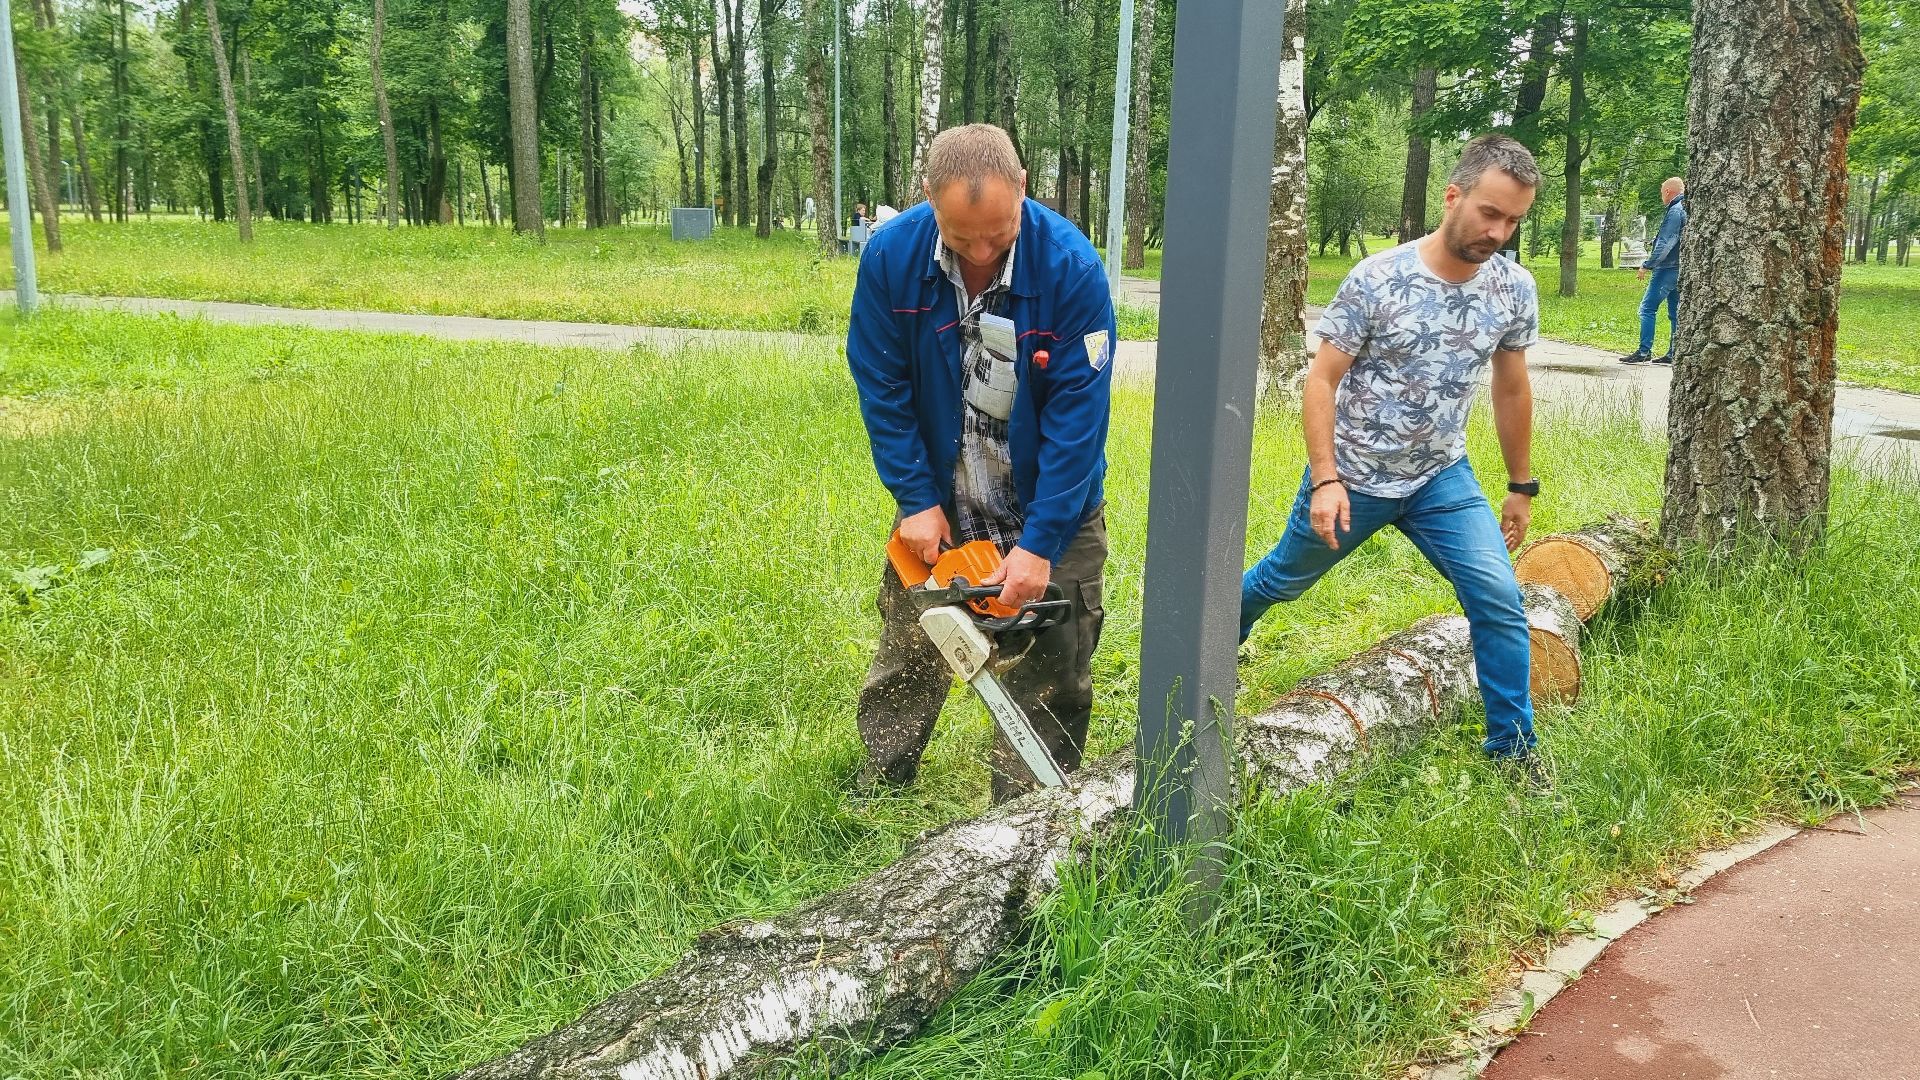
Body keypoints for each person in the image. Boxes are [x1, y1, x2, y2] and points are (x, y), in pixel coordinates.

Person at [1239, 133, 1549, 785]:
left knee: (1498, 597)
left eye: (1514, 221)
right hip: (1353, 478)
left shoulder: (1513, 288)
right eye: (1490, 213)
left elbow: (1512, 387)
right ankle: (1208, 653)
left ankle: (1514, 753)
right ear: (1453, 196)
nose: (1499, 232)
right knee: (1280, 581)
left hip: (1441, 479)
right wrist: (1325, 479)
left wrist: (1521, 485)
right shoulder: (1378, 278)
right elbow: (1321, 381)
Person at [845, 123, 1116, 803]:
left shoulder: (1072, 268)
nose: (983, 254)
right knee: (911, 650)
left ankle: (1027, 821)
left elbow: (1078, 422)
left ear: (1023, 188)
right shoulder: (891, 257)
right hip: (944, 498)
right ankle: (881, 782)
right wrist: (915, 498)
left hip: (1052, 506)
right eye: (963, 240)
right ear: (928, 197)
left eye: (999, 235)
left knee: (1053, 669)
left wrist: (1041, 544)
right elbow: (882, 383)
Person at [1621, 177, 1687, 365]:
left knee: (1647, 308)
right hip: (1680, 267)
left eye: (1661, 193)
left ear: (1667, 192)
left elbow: (1666, 242)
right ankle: (1673, 353)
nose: (1661, 196)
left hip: (1666, 268)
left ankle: (1644, 351)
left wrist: (1647, 264)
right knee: (1675, 312)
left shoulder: (1674, 211)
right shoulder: (1685, 208)